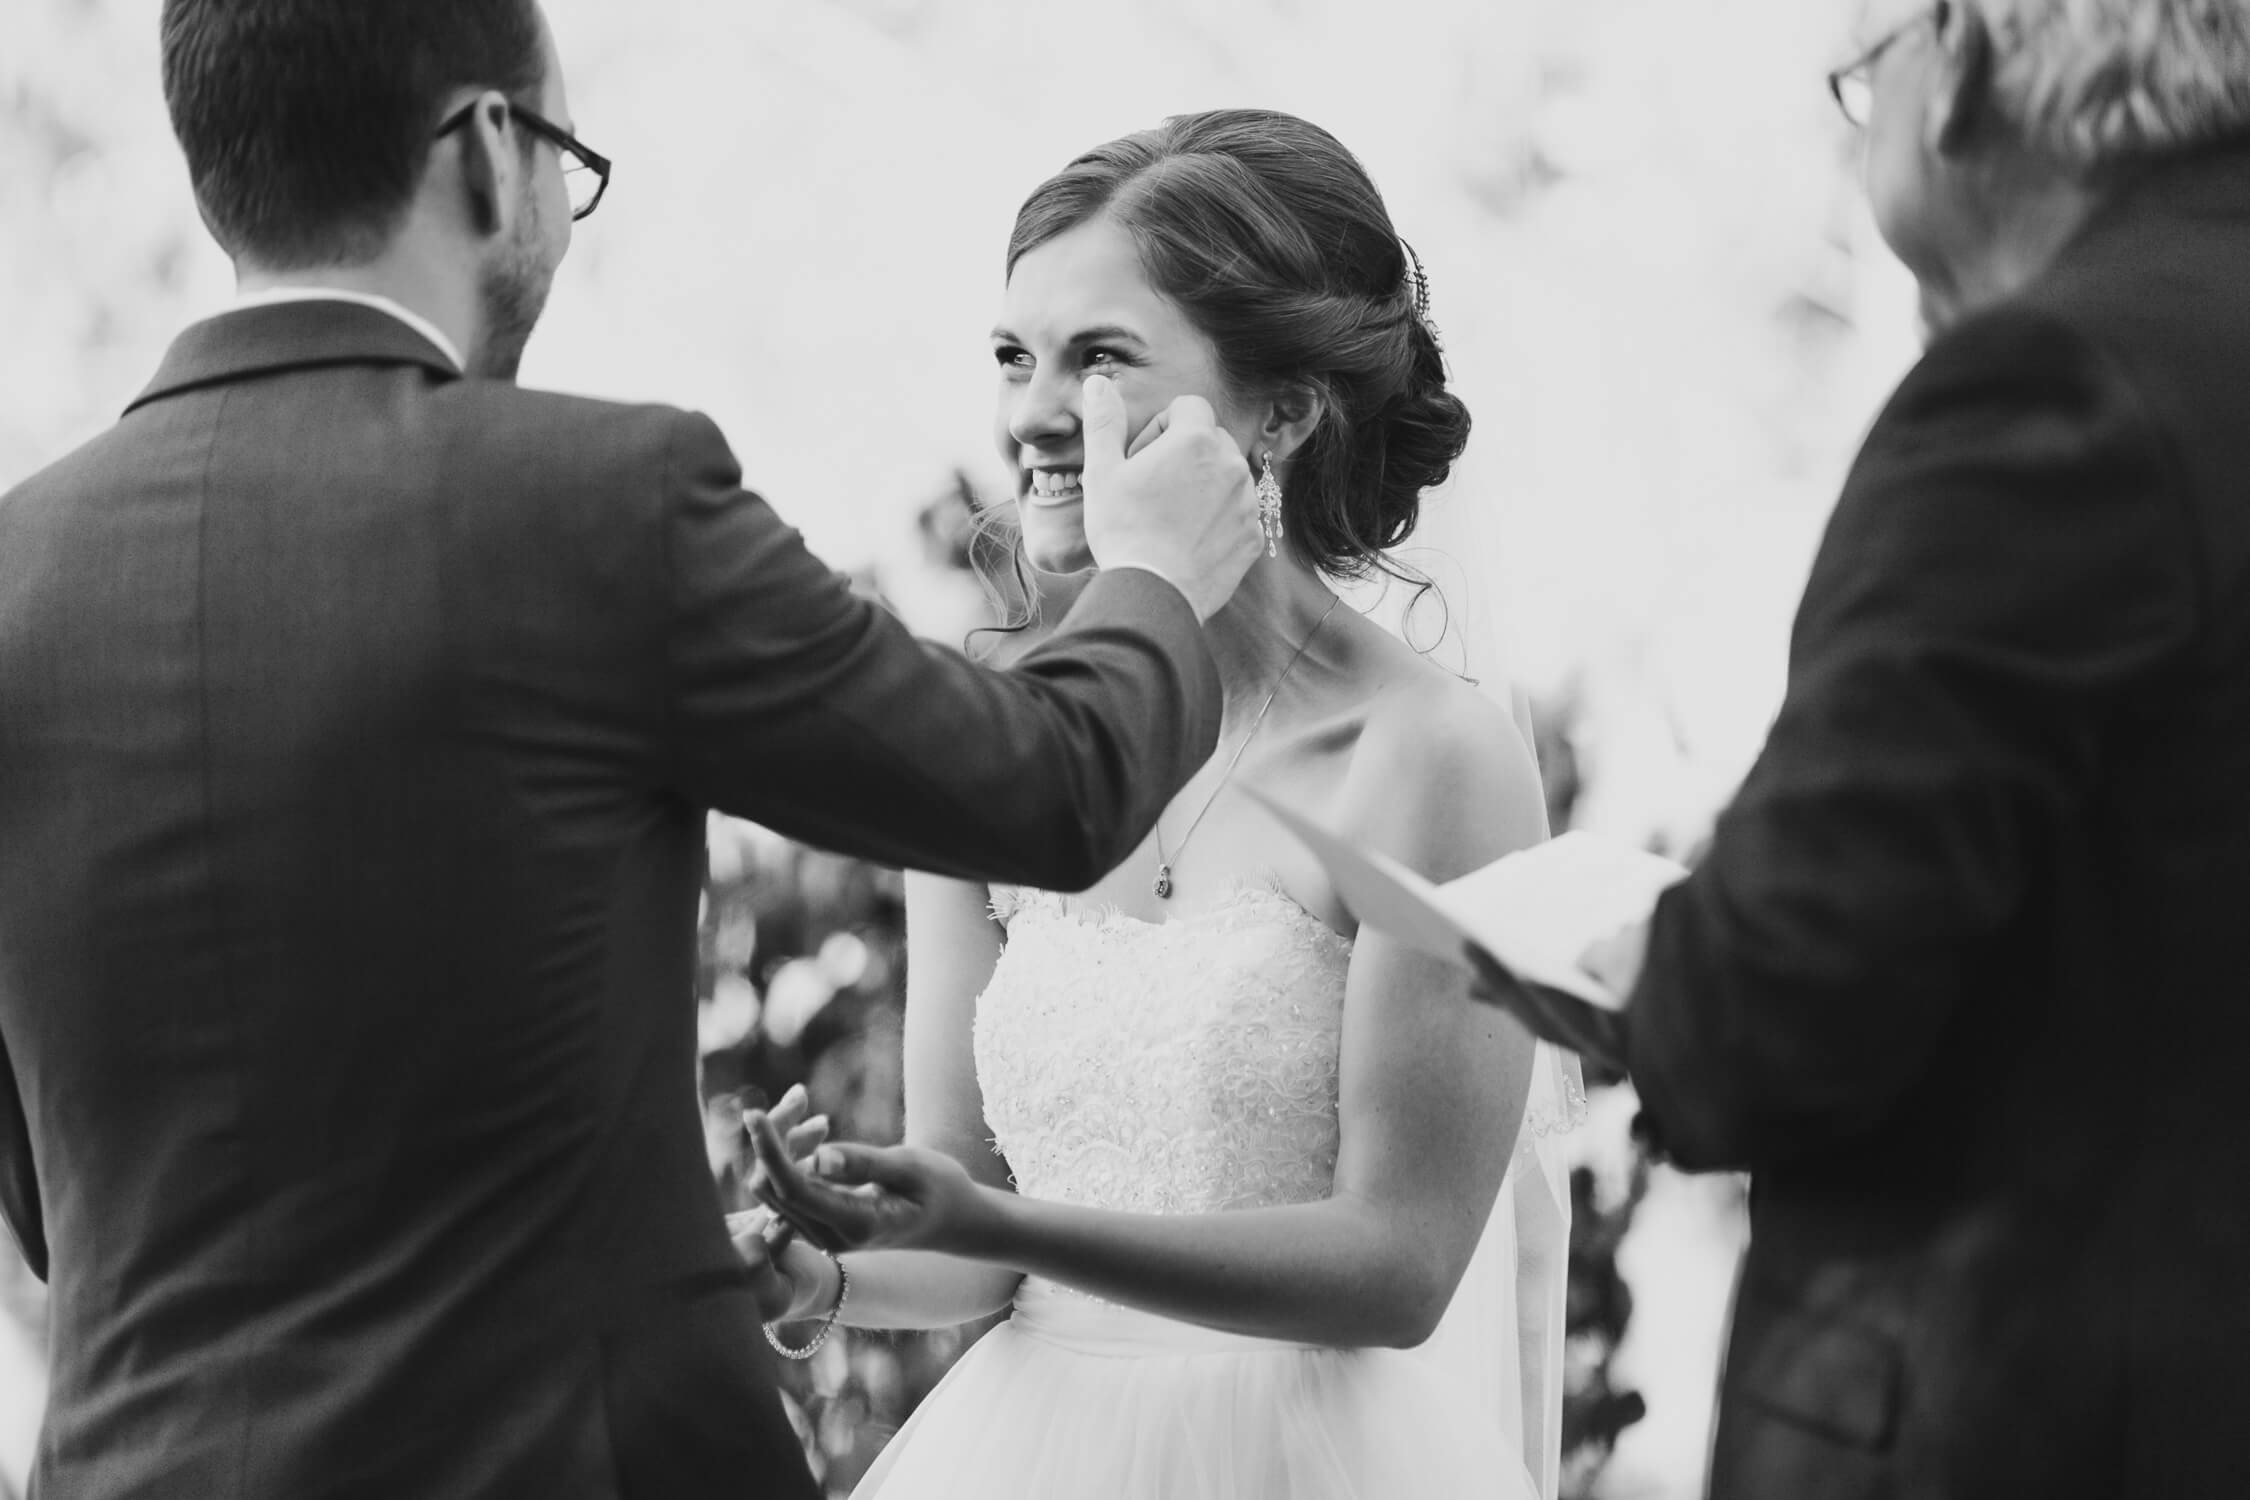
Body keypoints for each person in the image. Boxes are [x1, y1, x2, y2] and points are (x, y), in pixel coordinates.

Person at [0, 2, 1269, 1496]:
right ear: (489, 149)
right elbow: (1056, 789)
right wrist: (1154, 574)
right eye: (566, 160)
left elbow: (42, 1192)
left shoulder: (16, 575)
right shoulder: (599, 505)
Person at [739, 109, 1580, 1500]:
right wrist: (813, 1272)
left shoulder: (1427, 756)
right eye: (1014, 357)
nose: (1031, 413)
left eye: (1101, 358)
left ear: (1281, 412)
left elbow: (1397, 1265)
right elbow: (962, 1215)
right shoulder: (996, 731)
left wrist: (1008, 1227)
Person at [1471, 2, 2250, 1497]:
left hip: (2036, 1426)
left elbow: (1780, 1004)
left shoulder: (2055, 385)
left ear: (1959, 55)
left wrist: (1657, 976)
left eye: (1858, 75)